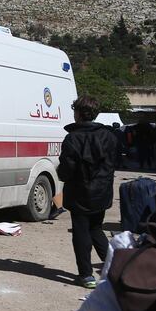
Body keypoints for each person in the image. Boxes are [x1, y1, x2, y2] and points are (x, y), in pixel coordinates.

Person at [57, 95, 119, 289]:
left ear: (78, 113)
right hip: (102, 191)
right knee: (96, 228)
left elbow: (66, 170)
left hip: (80, 192)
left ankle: (86, 274)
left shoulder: (72, 138)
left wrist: (61, 174)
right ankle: (115, 267)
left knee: (81, 232)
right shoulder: (109, 136)